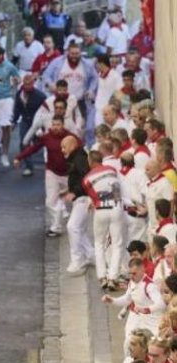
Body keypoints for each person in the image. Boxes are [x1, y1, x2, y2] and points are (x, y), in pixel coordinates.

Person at [14, 114, 72, 235]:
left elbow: (81, 150)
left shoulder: (70, 137)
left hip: (68, 173)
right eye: (54, 125)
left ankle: (62, 221)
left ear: (63, 125)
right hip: (52, 172)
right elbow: (33, 149)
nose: (56, 127)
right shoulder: (47, 137)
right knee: (50, 202)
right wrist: (19, 157)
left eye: (58, 125)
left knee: (69, 201)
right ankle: (56, 227)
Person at [83, 150, 126, 290]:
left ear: (90, 162)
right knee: (117, 243)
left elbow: (93, 196)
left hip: (101, 209)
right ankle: (113, 277)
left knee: (99, 243)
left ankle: (102, 277)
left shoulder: (87, 179)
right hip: (117, 207)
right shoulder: (112, 170)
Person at [61, 135, 95, 276]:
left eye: (64, 147)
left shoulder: (79, 158)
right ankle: (91, 255)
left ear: (72, 146)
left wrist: (74, 192)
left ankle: (77, 259)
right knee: (79, 229)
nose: (62, 150)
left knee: (73, 227)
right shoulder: (78, 157)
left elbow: (86, 177)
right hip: (82, 198)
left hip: (83, 199)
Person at [12, 76, 47, 177]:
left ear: (33, 84)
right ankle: (28, 167)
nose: (27, 86)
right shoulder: (19, 94)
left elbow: (47, 110)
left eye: (29, 84)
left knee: (41, 142)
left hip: (38, 122)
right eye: (25, 84)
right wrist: (14, 121)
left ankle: (50, 164)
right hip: (25, 121)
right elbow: (17, 108)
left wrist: (45, 125)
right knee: (24, 142)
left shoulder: (40, 96)